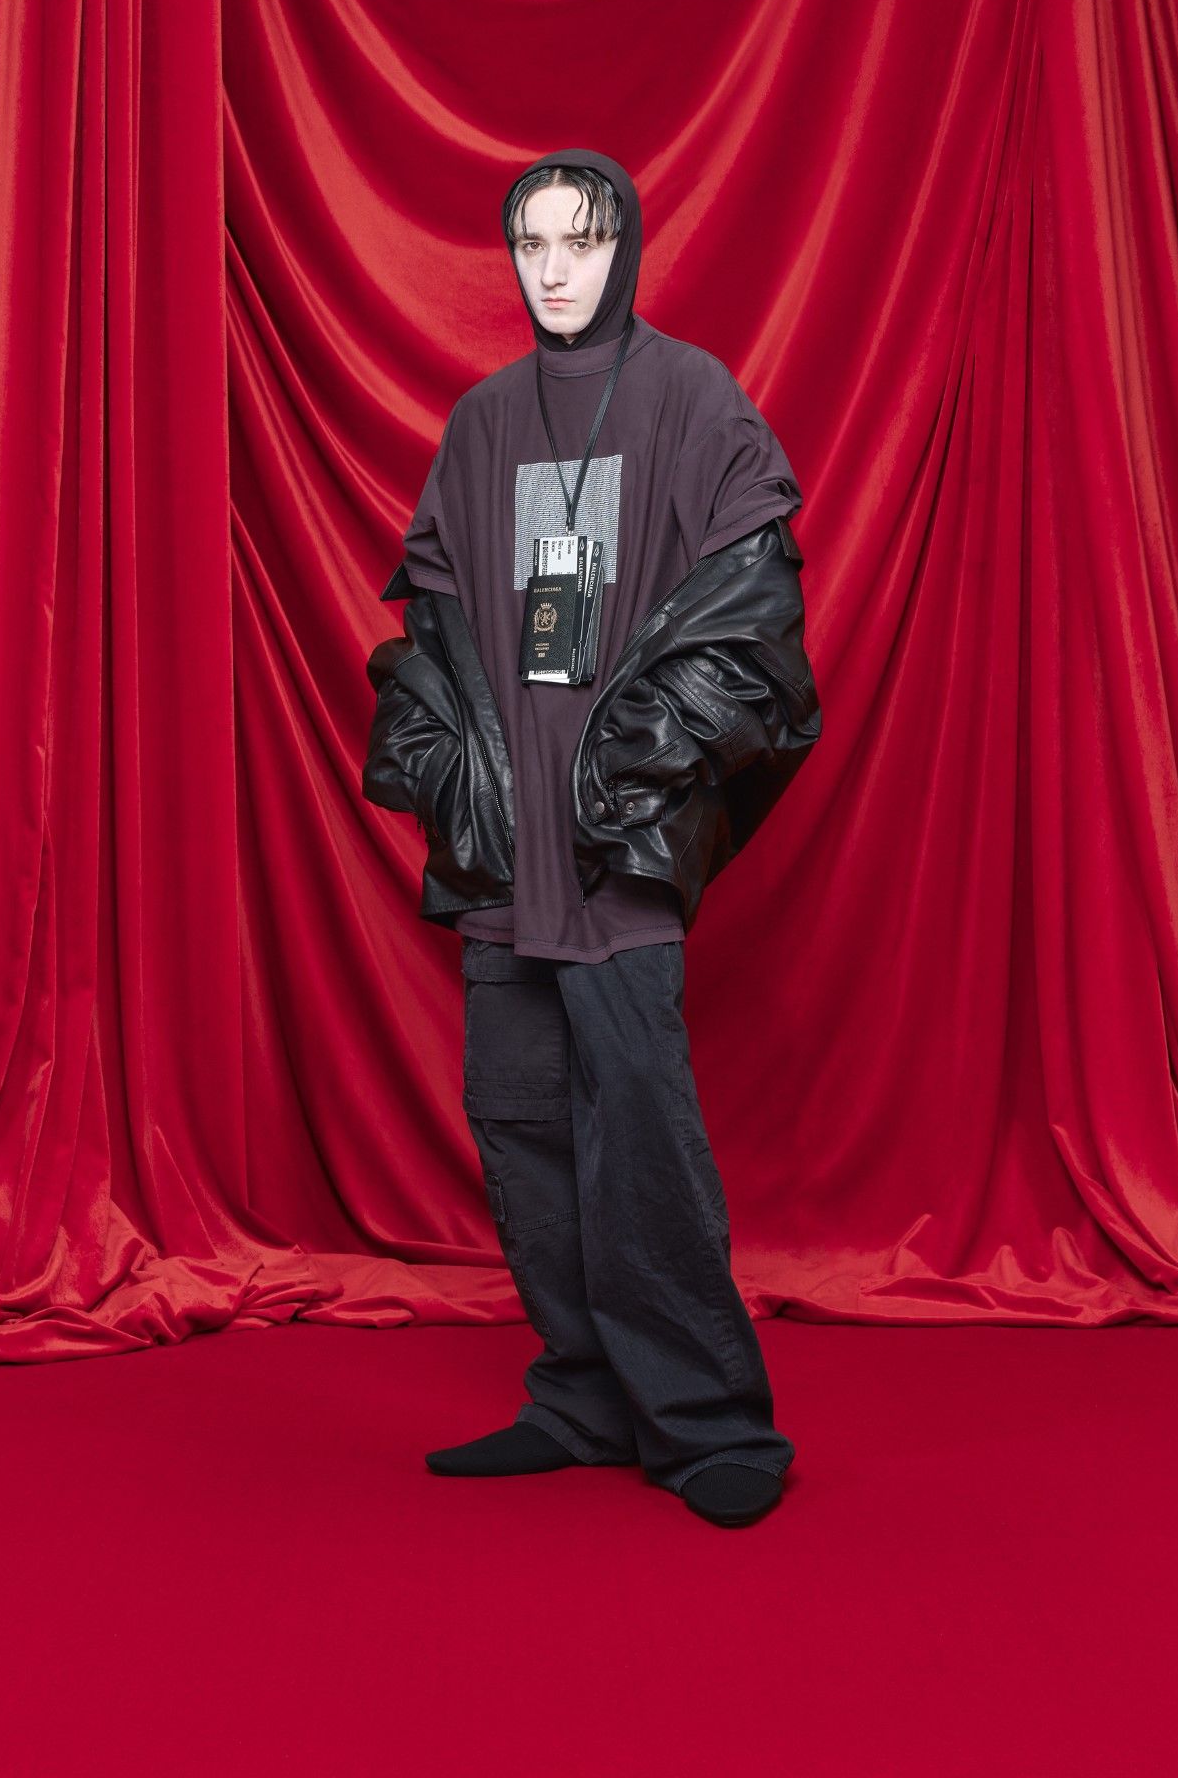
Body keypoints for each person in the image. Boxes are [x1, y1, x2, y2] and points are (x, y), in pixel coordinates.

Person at [387, 147, 809, 1527]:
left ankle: (707, 1422)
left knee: (636, 1130)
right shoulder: (482, 422)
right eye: (533, 246)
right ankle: (581, 1396)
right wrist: (453, 772)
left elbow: (755, 605)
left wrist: (639, 770)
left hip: (615, 839)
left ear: (627, 247)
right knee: (520, 1123)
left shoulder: (691, 397)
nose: (556, 270)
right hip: (508, 844)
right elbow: (434, 622)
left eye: (583, 241)